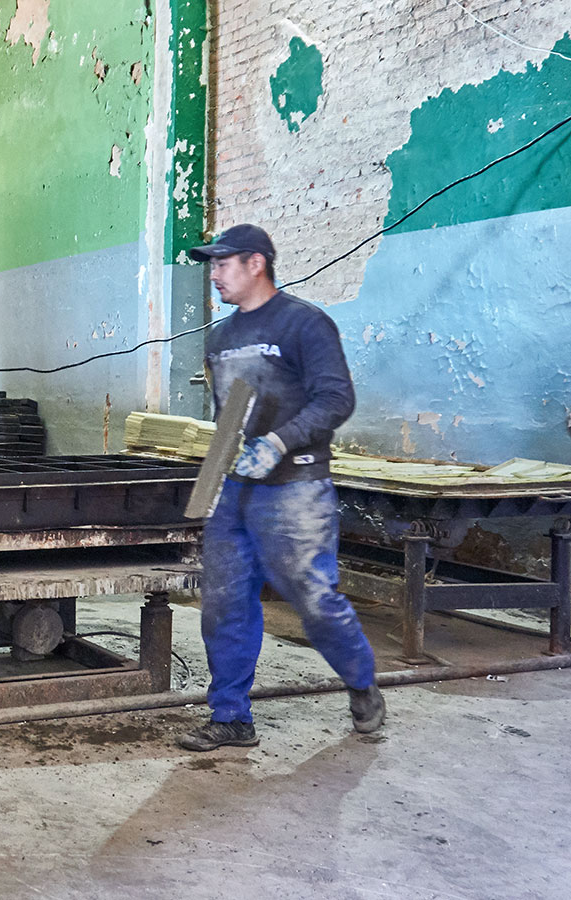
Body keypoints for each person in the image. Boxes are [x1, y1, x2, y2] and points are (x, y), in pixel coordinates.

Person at [179, 223, 384, 752]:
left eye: (223, 264)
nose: (215, 275)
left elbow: (336, 400)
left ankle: (361, 681)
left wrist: (278, 441)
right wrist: (211, 481)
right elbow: (229, 416)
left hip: (295, 490)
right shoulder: (220, 338)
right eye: (211, 266)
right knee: (224, 603)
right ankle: (230, 717)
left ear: (256, 264)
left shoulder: (304, 325)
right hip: (236, 494)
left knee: (314, 600)